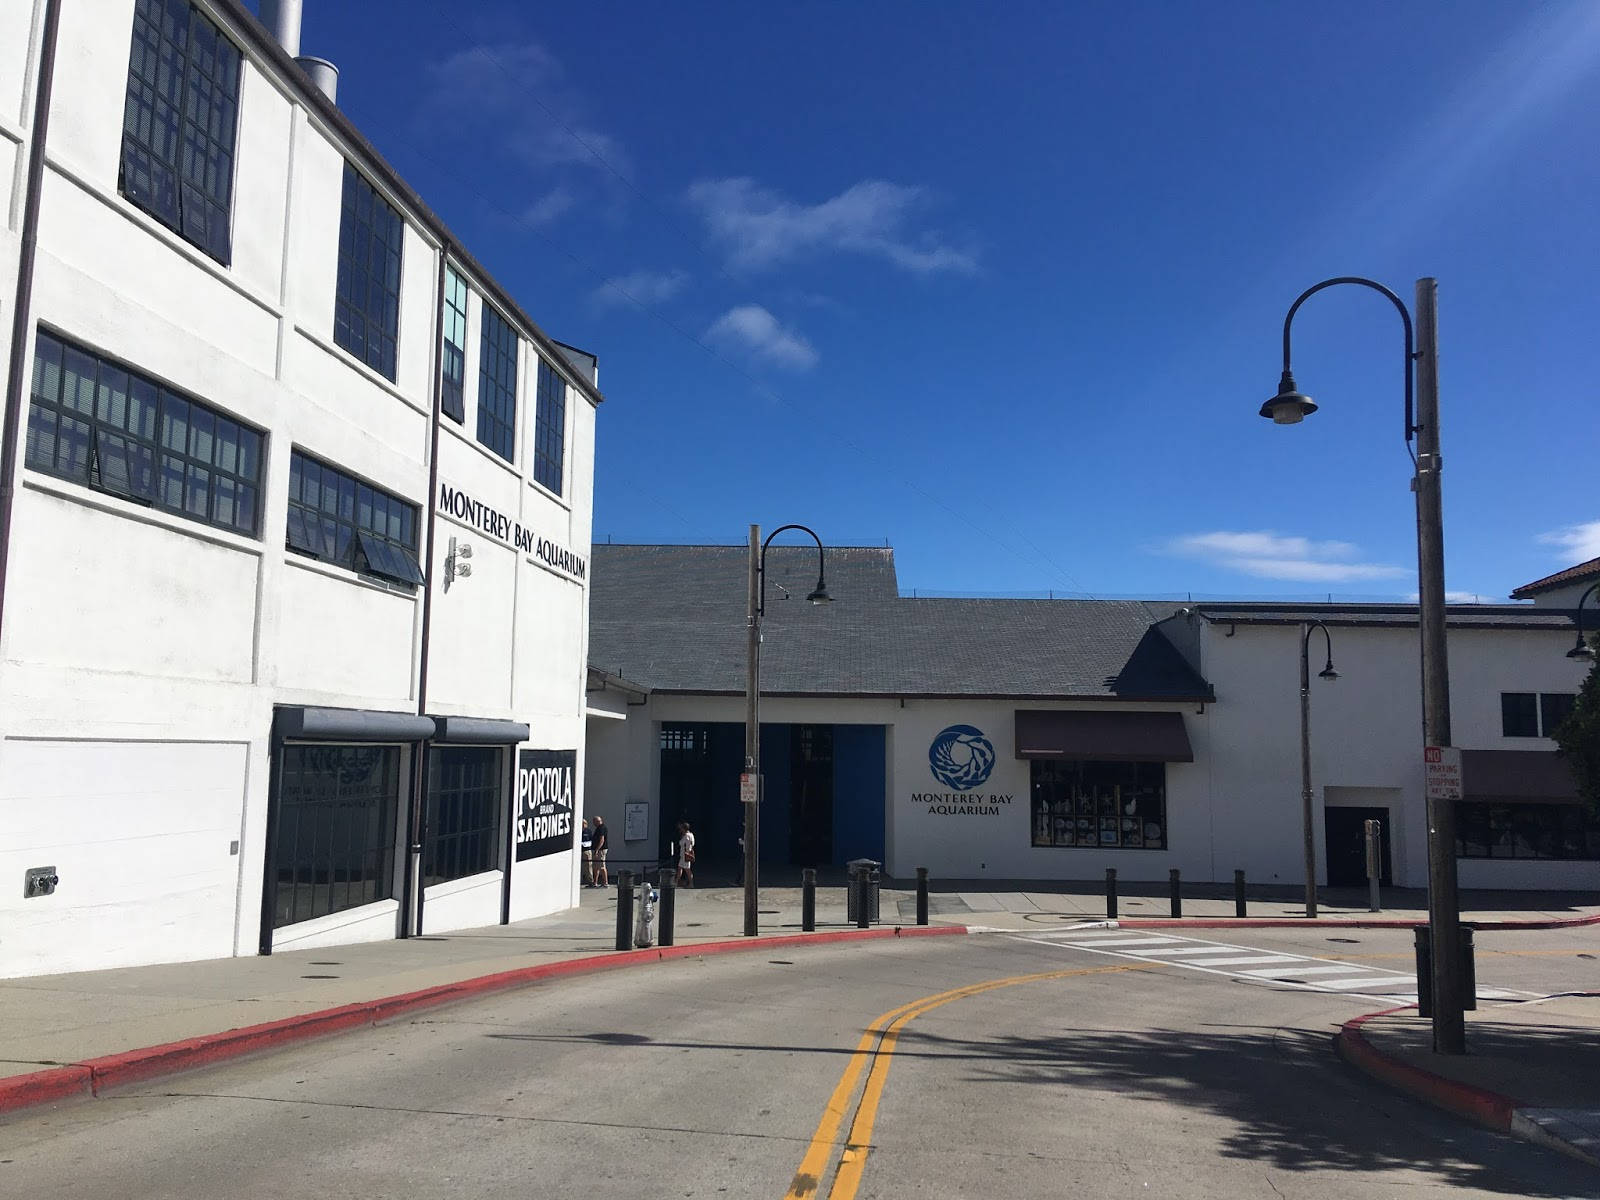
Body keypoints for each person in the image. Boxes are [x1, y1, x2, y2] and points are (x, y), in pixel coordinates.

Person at [675, 820, 696, 888]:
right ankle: (677, 882)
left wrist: (681, 839)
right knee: (680, 869)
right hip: (687, 854)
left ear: (684, 829)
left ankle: (691, 883)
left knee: (687, 870)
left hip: (684, 855)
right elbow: (693, 844)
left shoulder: (686, 836)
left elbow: (681, 843)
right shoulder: (691, 835)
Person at [591, 815, 609, 887]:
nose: (593, 823)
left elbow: (602, 840)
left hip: (601, 850)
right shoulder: (599, 828)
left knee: (601, 866)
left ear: (598, 821)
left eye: (594, 822)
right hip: (598, 849)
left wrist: (597, 850)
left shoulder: (601, 828)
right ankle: (595, 882)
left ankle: (605, 882)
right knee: (596, 866)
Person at [580, 817, 594, 887]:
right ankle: (580, 880)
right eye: (582, 823)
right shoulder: (577, 830)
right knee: (580, 866)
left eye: (584, 823)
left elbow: (592, 840)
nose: (583, 825)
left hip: (587, 850)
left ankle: (590, 881)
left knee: (588, 866)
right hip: (579, 851)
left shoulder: (588, 831)